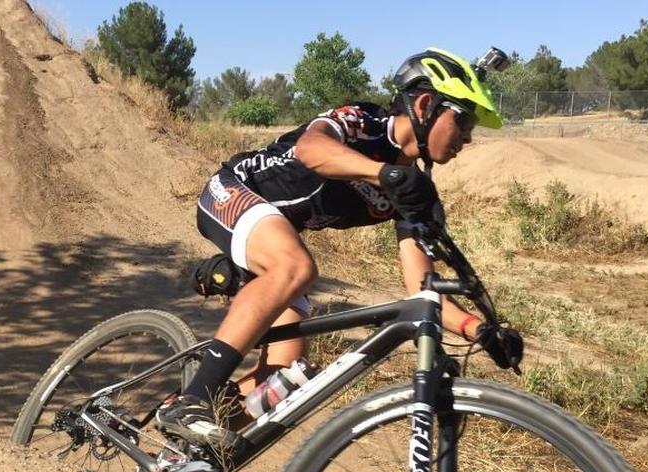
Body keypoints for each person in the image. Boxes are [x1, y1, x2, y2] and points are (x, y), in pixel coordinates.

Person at [156, 47, 523, 450]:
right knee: (295, 266)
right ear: (425, 105)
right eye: (464, 120)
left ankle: (179, 462)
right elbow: (312, 151)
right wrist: (382, 172)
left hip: (276, 236)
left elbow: (421, 285)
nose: (468, 138)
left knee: (286, 378)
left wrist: (480, 330)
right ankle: (192, 401)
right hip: (233, 191)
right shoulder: (364, 121)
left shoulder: (416, 192)